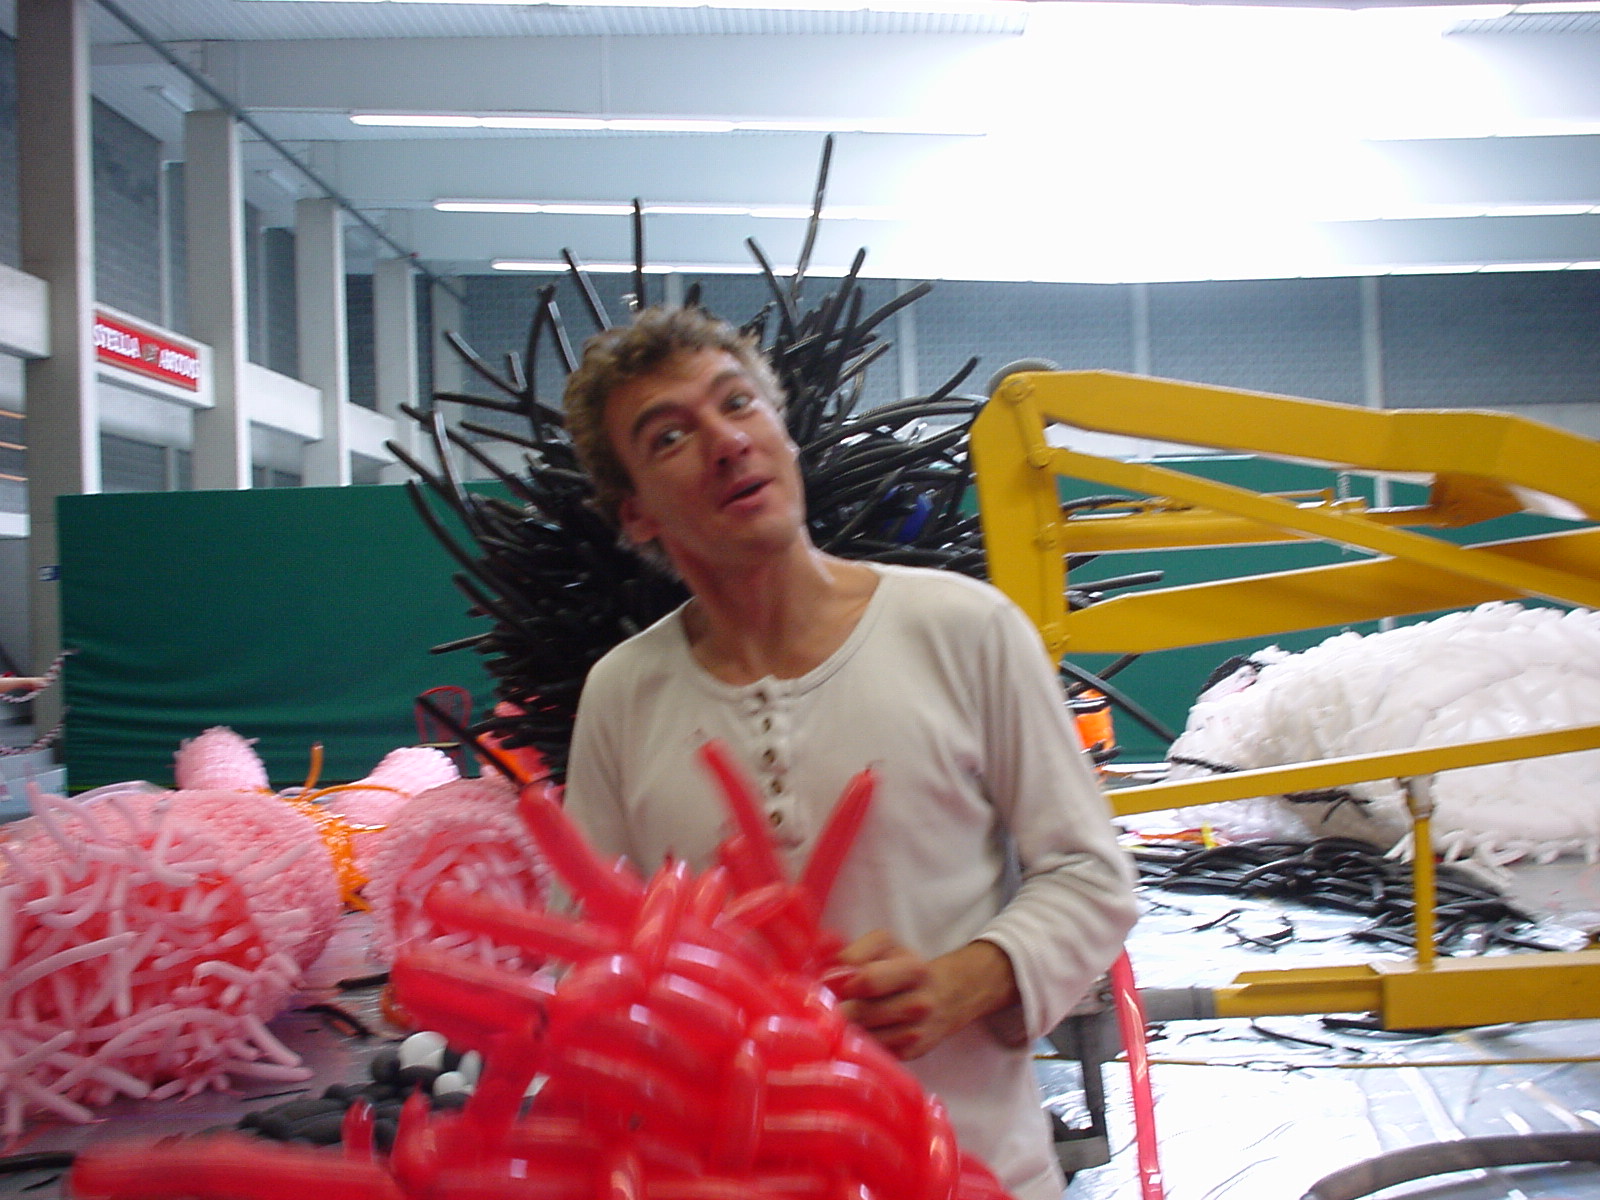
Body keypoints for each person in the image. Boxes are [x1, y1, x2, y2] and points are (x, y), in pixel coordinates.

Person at [559, 305, 1138, 1200]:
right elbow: (587, 955)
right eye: (669, 436)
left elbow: (1093, 875)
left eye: (738, 403)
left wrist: (962, 981)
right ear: (635, 513)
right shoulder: (624, 695)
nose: (726, 442)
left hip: (976, 1172)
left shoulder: (964, 628)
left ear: (783, 431)